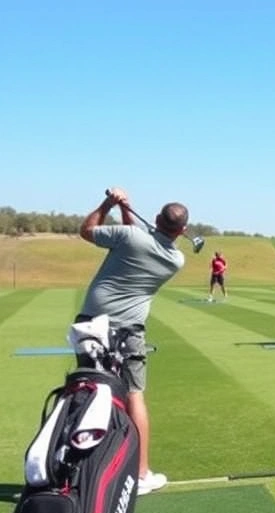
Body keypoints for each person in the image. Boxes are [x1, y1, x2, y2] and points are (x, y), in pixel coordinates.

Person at [77, 187, 190, 496]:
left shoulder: (130, 238)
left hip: (90, 324)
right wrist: (127, 209)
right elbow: (137, 236)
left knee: (88, 392)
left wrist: (109, 203)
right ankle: (140, 475)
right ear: (183, 231)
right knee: (133, 396)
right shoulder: (175, 259)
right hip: (128, 332)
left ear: (155, 219)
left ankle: (78, 469)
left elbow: (87, 231)